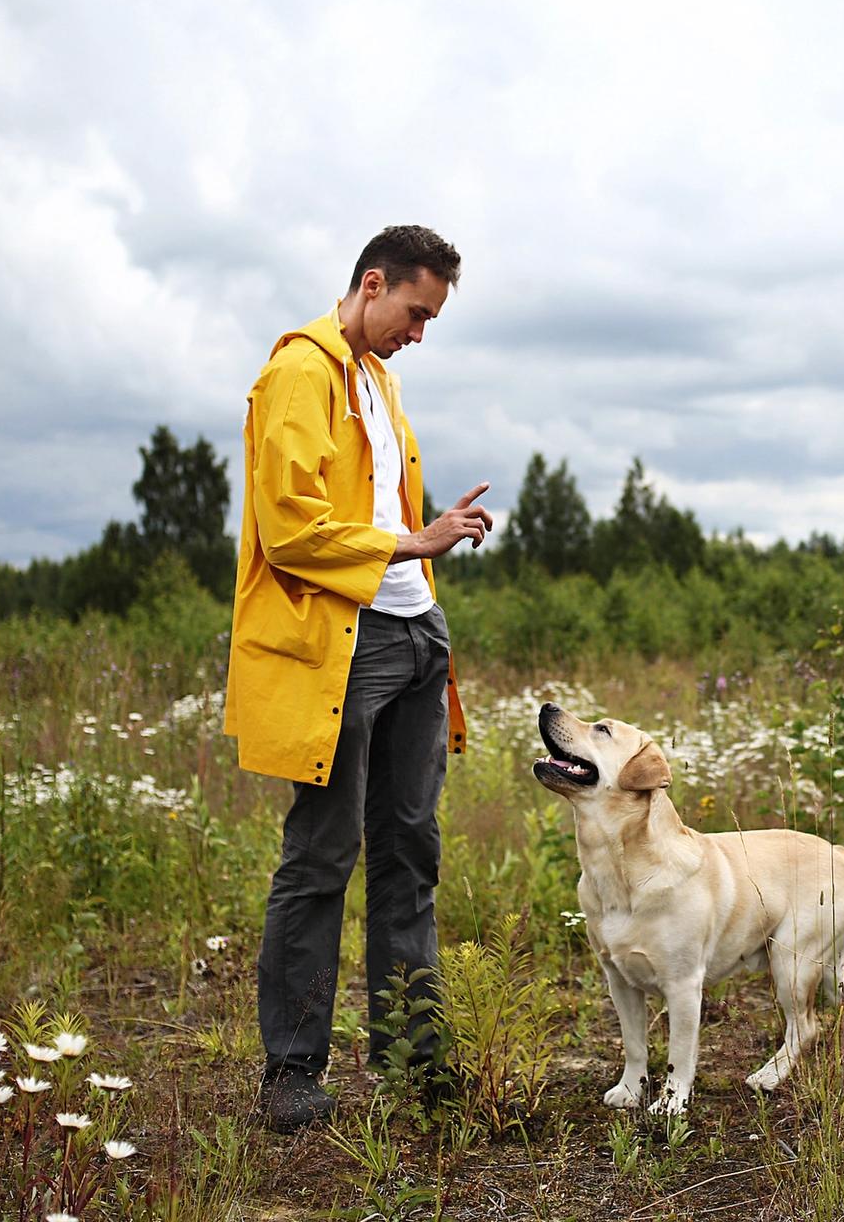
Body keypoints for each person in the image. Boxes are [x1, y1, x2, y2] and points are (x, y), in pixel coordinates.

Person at [224, 225, 493, 1133]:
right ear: (372, 285)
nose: (420, 332)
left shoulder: (380, 377)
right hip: (344, 643)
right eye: (415, 312)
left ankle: (414, 1057)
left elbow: (376, 507)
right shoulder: (297, 374)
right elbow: (290, 527)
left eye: (431, 320)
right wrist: (406, 541)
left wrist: (425, 530)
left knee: (410, 851)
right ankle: (292, 1073)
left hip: (418, 630)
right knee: (321, 855)